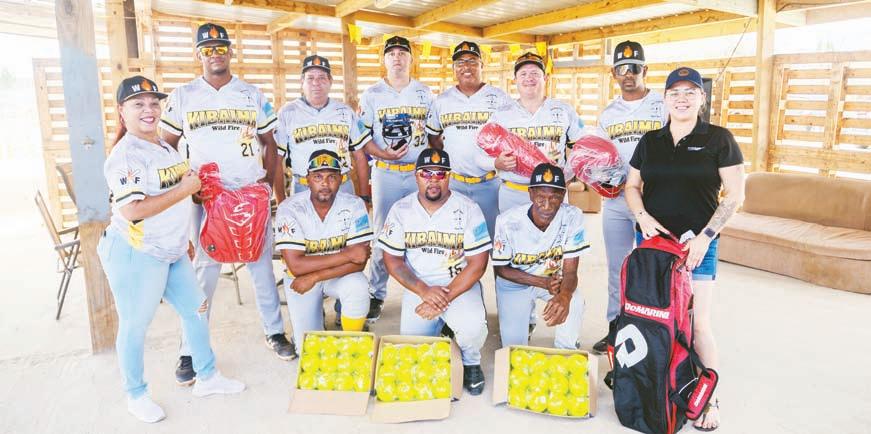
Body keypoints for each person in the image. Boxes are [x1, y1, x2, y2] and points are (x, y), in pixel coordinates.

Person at [101, 76, 245, 423]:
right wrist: (186, 190)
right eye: (138, 104)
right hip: (137, 253)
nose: (149, 110)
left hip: (172, 250)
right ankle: (136, 395)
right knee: (135, 325)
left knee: (196, 309)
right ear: (122, 111)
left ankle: (206, 377)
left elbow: (175, 193)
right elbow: (132, 211)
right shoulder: (126, 155)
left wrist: (184, 238)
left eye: (154, 103)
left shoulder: (164, 147)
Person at [159, 23, 294, 386]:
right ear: (198, 55)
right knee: (203, 273)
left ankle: (274, 332)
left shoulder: (251, 94)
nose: (215, 54)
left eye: (220, 47)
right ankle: (190, 348)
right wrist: (185, 186)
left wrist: (267, 186)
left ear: (231, 51)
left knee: (260, 267)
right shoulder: (183, 95)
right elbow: (166, 146)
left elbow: (270, 144)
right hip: (208, 197)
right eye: (207, 49)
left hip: (249, 193)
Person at [625, 67, 745, 432]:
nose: (682, 98)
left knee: (697, 324)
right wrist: (642, 216)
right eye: (674, 92)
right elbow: (632, 186)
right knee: (652, 316)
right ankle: (655, 382)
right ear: (664, 99)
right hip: (653, 246)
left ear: (701, 98)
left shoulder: (719, 139)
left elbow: (735, 195)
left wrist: (706, 236)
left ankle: (708, 398)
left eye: (690, 92)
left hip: (697, 246)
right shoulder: (650, 140)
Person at [378, 149, 491, 395]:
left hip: (459, 285)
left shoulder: (468, 208)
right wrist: (424, 291)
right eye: (426, 174)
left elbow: (478, 264)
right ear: (416, 176)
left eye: (440, 174)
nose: (433, 180)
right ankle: (444, 327)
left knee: (472, 328)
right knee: (414, 352)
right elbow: (393, 260)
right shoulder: (401, 209)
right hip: (420, 286)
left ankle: (471, 361)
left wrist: (442, 299)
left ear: (449, 176)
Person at [349, 36, 434, 324]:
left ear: (411, 59)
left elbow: (435, 135)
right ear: (384, 60)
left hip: (418, 174)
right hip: (386, 172)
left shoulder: (424, 93)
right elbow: (362, 139)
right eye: (391, 53)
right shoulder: (372, 94)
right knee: (383, 234)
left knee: (422, 233)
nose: (397, 58)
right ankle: (376, 293)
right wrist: (383, 153)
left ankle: (421, 290)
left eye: (402, 53)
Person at [593, 41, 667, 354]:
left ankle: (657, 329)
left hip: (655, 201)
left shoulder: (663, 105)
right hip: (616, 201)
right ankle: (616, 326)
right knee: (618, 267)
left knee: (655, 266)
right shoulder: (608, 114)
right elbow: (598, 156)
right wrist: (598, 176)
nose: (628, 74)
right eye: (621, 68)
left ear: (644, 70)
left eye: (634, 67)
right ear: (613, 74)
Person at [274, 150, 373, 346]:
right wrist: (347, 254)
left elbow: (360, 262)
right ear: (307, 179)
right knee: (308, 347)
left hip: (328, 277)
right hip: (300, 278)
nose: (325, 183)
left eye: (331, 177)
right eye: (318, 177)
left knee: (358, 286)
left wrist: (315, 276)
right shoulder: (289, 208)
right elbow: (296, 266)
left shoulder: (354, 205)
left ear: (341, 179)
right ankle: (304, 331)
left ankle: (352, 343)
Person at [492, 163, 589, 349]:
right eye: (540, 198)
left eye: (554, 198)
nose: (546, 206)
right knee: (513, 348)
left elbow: (570, 271)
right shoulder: (507, 221)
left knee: (574, 300)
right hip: (515, 284)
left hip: (553, 282)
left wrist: (565, 295)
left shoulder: (572, 216)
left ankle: (567, 350)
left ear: (563, 195)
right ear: (530, 194)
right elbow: (501, 269)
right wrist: (542, 282)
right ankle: (524, 322)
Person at [426, 41, 510, 237]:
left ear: (482, 65)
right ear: (454, 68)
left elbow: (510, 139)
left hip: (490, 183)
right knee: (455, 238)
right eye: (460, 62)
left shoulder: (499, 98)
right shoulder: (442, 101)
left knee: (491, 237)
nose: (466, 67)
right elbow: (434, 137)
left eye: (472, 61)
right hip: (455, 184)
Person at [487, 53, 585, 213]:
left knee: (553, 230)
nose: (529, 78)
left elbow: (583, 148)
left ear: (545, 78)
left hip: (551, 191)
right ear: (515, 79)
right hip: (512, 193)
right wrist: (496, 163)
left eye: (535, 73)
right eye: (523, 74)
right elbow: (480, 151)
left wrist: (565, 176)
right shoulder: (501, 114)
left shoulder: (564, 110)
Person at [274, 55, 366, 198]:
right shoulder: (287, 112)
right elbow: (276, 160)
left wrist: (365, 197)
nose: (316, 83)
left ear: (330, 81)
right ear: (302, 82)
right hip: (303, 188)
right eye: (310, 78)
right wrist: (281, 202)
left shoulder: (345, 111)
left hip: (342, 187)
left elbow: (360, 157)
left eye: (322, 77)